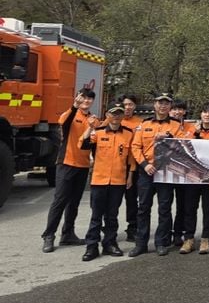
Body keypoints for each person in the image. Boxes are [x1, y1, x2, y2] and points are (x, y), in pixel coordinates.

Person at [41, 88, 98, 253]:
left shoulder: (94, 119)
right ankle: (49, 235)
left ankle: (68, 234)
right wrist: (74, 106)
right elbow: (64, 123)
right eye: (83, 97)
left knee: (74, 203)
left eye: (90, 98)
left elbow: (94, 141)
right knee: (60, 200)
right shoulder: (71, 114)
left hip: (83, 166)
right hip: (66, 163)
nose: (86, 101)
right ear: (78, 98)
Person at [128, 93, 183, 257]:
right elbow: (135, 147)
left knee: (164, 209)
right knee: (143, 208)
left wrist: (169, 138)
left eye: (166, 103)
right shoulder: (144, 124)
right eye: (160, 103)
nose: (163, 106)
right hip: (147, 172)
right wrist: (145, 165)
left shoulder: (176, 125)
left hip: (165, 172)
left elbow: (181, 146)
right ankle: (141, 244)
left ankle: (162, 242)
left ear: (170, 107)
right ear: (155, 105)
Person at [78, 102, 134, 261]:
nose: (116, 116)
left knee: (112, 215)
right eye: (113, 113)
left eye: (119, 113)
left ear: (122, 116)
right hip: (99, 180)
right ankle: (91, 246)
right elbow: (83, 144)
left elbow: (131, 158)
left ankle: (110, 243)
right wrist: (89, 128)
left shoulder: (128, 134)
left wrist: (130, 176)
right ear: (107, 115)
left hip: (118, 181)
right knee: (96, 215)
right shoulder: (98, 132)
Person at [181, 103, 209, 255]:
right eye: (204, 112)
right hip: (192, 176)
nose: (207, 115)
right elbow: (184, 147)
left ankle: (206, 238)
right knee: (190, 208)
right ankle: (189, 238)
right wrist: (196, 133)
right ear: (200, 114)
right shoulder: (191, 130)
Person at [169, 99, 192, 247]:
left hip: (184, 171)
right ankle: (166, 233)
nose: (177, 112)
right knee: (165, 205)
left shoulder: (191, 127)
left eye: (180, 109)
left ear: (184, 111)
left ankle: (178, 233)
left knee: (182, 204)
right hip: (165, 170)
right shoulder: (165, 125)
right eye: (174, 109)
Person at [119, 94, 142, 242]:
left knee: (132, 198)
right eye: (125, 104)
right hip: (115, 165)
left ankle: (132, 227)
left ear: (135, 106)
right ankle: (108, 227)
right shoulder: (112, 120)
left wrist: (132, 170)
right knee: (111, 199)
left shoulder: (140, 123)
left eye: (130, 104)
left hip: (132, 165)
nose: (127, 107)